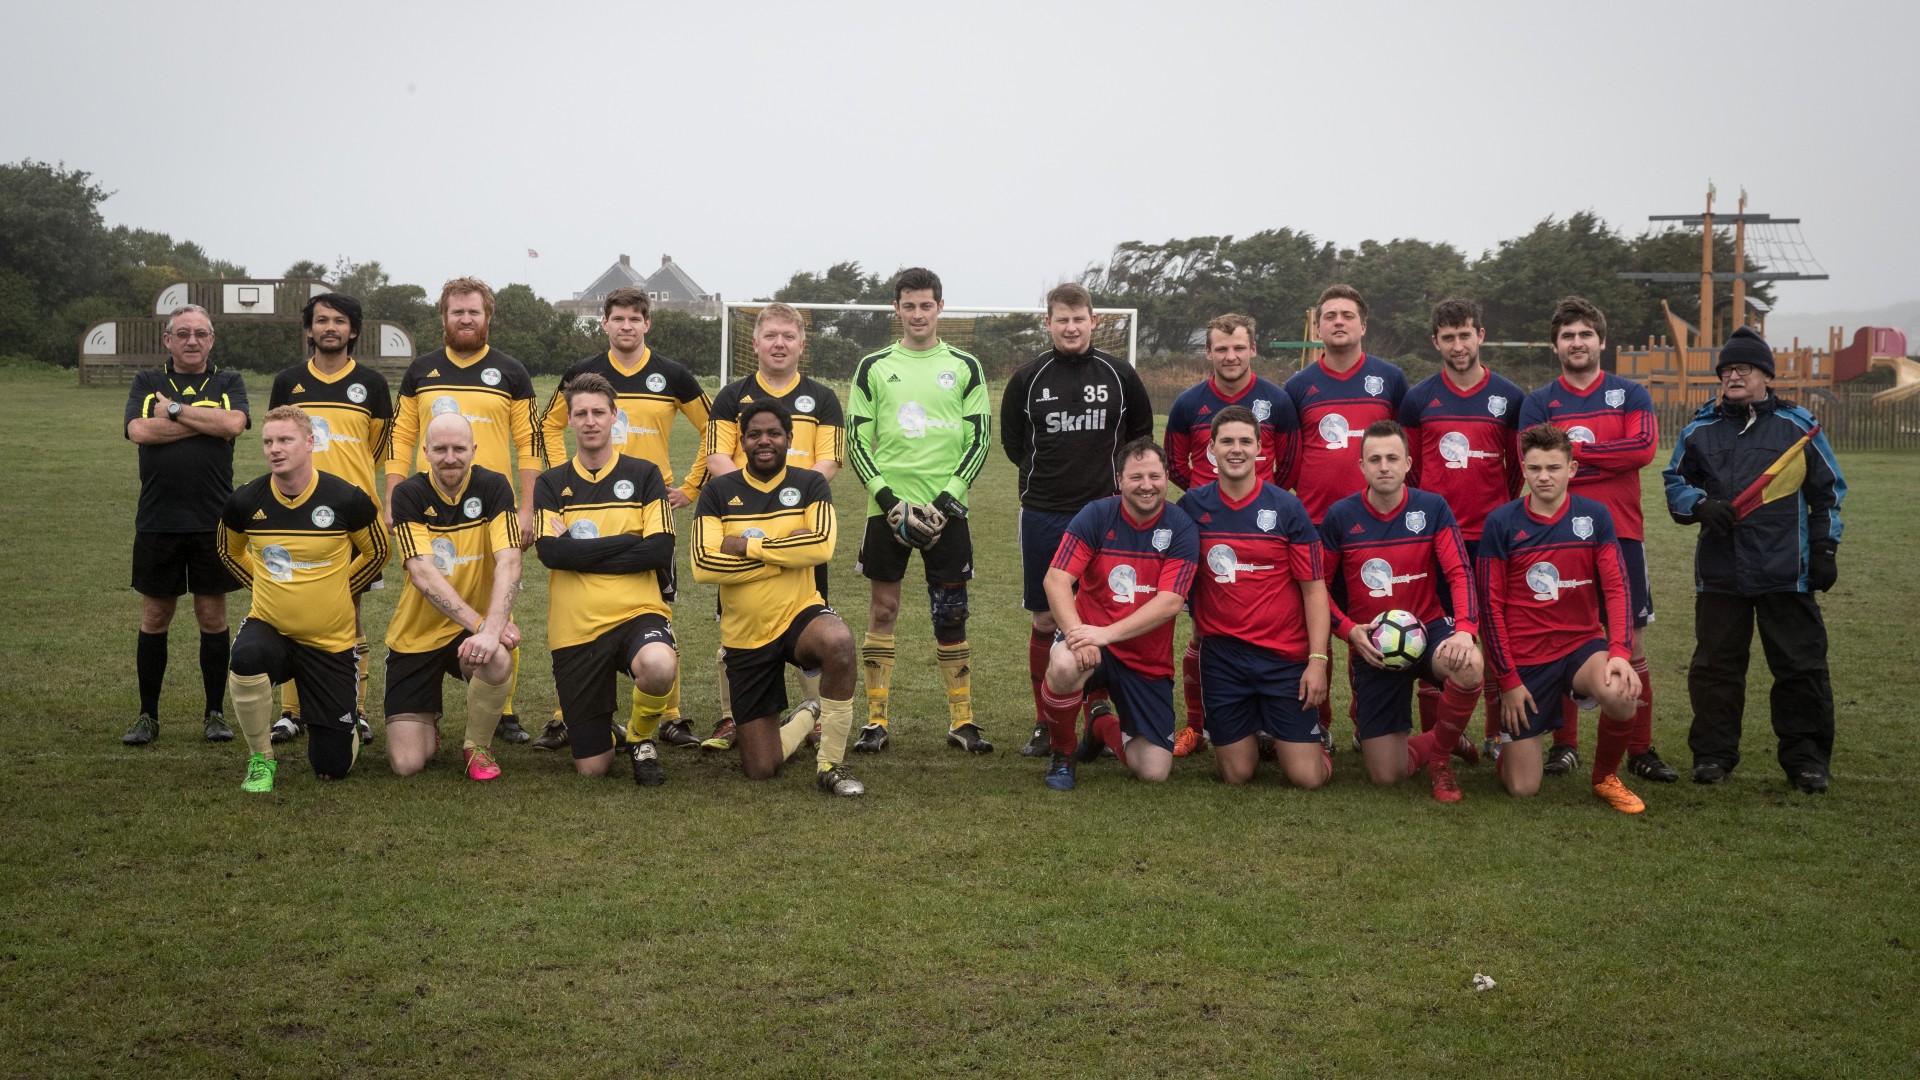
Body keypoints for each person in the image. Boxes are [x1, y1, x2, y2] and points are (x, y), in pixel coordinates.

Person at [1662, 326, 1845, 793]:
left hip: (1787, 571)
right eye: (1726, 369)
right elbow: (1674, 483)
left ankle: (1806, 760)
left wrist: (1824, 550)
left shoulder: (1799, 428)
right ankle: (1713, 755)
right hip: (1721, 573)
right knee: (1715, 669)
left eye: (1743, 368)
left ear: (1766, 375)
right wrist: (1700, 505)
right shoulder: (1698, 431)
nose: (1733, 375)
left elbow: (1827, 493)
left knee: (1800, 668)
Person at [530, 286, 710, 752]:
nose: (626, 325)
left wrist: (690, 487)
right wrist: (557, 475)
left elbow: (716, 428)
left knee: (657, 606)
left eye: (635, 318)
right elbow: (548, 424)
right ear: (604, 323)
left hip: (649, 506)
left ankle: (668, 714)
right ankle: (565, 713)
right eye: (618, 318)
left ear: (647, 323)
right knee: (574, 601)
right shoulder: (582, 374)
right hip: (584, 499)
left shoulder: (672, 374)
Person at [1519, 297, 1677, 783]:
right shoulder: (1540, 401)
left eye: (1585, 334)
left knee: (1631, 641)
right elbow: (1535, 463)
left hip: (1622, 533)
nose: (1577, 342)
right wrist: (1601, 457)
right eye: (1567, 336)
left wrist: (1573, 453)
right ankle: (1565, 746)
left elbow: (1644, 449)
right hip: (1558, 538)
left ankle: (1640, 748)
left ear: (1601, 341)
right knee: (1565, 637)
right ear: (1555, 346)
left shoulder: (1630, 393)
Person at [385, 277, 545, 744]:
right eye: (457, 312)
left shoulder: (511, 371)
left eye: (474, 311)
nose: (466, 319)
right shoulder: (421, 371)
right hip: (428, 507)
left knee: (501, 591)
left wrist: (528, 506)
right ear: (444, 318)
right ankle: (423, 694)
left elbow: (529, 443)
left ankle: (504, 708)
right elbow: (400, 436)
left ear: (487, 317)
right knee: (430, 589)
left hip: (490, 508)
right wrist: (394, 494)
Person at [1001, 283, 1155, 758]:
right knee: (1047, 616)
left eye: (1079, 318)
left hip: (1105, 514)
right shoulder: (1028, 378)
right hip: (1045, 511)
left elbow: (1141, 434)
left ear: (1094, 321)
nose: (1071, 327)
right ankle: (1046, 721)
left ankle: (1097, 712)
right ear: (1048, 323)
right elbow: (1014, 444)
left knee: (1098, 613)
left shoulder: (1119, 374)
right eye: (1061, 319)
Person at [845, 267, 993, 754]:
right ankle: (876, 720)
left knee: (951, 614)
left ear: (940, 308)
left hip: (948, 512)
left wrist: (948, 499)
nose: (917, 314)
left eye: (926, 305)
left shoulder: (966, 365)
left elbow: (980, 438)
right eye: (908, 306)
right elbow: (857, 440)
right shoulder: (873, 365)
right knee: (883, 609)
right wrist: (888, 501)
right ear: (897, 310)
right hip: (885, 510)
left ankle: (963, 721)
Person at [691, 399, 865, 795]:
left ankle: (831, 765)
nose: (764, 441)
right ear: (742, 441)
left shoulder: (810, 483)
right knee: (761, 768)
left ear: (789, 437)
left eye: (773, 433)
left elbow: (820, 546)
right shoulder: (717, 491)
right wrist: (786, 553)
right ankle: (807, 713)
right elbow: (704, 564)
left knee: (838, 642)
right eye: (754, 434)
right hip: (746, 634)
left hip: (799, 615)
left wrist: (750, 547)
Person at [696, 302, 846, 751]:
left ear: (801, 343)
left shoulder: (822, 397)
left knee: (807, 615)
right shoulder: (729, 396)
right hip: (741, 513)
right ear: (755, 343)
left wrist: (797, 498)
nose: (779, 343)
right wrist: (753, 498)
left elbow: (829, 460)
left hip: (802, 517)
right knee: (738, 616)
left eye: (788, 336)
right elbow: (717, 456)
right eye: (771, 335)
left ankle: (815, 711)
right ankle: (730, 716)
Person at [218, 406, 388, 792]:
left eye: (284, 440)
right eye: (268, 442)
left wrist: (340, 588)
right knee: (245, 658)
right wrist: (263, 586)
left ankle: (341, 726)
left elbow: (378, 552)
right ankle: (261, 757)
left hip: (330, 641)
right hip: (271, 628)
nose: (274, 449)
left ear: (310, 443)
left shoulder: (346, 498)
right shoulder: (245, 501)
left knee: (333, 766)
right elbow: (229, 552)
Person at [1477, 424, 1645, 813]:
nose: (1543, 476)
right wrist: (1508, 681)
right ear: (1523, 467)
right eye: (1534, 468)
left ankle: (1605, 777)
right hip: (1525, 657)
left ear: (1571, 468)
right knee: (1523, 788)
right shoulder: (1501, 523)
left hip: (1580, 646)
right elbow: (1490, 607)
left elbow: (1617, 589)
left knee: (1620, 692)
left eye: (1553, 467)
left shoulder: (1595, 516)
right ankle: (1507, 745)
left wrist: (1619, 652)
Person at [1318, 420, 1486, 802]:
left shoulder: (1432, 507)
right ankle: (1443, 737)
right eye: (1374, 459)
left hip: (1429, 630)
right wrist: (1348, 630)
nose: (1384, 466)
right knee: (1386, 776)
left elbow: (1459, 572)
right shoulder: (1340, 517)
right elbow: (1318, 590)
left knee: (1469, 664)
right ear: (1360, 466)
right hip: (1374, 646)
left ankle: (1441, 758)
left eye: (1392, 458)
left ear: (1409, 462)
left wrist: (1464, 630)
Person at [1161, 312, 1300, 757]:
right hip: (1207, 528)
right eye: (1221, 348)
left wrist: (1262, 503)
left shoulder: (1277, 400)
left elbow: (1291, 463)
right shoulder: (1188, 403)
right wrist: (1208, 501)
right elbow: (1176, 463)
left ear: (1253, 349)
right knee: (1205, 627)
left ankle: (1290, 724)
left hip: (1264, 528)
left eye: (1239, 347)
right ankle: (1197, 728)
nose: (1231, 355)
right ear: (1209, 353)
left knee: (1276, 621)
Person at [531, 374, 680, 786]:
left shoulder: (646, 474)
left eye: (599, 412)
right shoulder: (550, 483)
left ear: (615, 417)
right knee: (593, 768)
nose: (591, 420)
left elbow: (658, 550)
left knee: (658, 664)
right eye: (581, 413)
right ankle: (606, 733)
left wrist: (578, 556)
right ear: (571, 421)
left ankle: (640, 738)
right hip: (575, 630)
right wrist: (628, 541)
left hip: (637, 613)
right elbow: (549, 553)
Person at [1282, 285, 1408, 752]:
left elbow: (1402, 448)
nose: (1338, 322)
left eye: (1347, 315)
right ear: (1318, 327)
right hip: (1313, 527)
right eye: (1329, 315)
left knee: (1369, 625)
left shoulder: (1390, 379)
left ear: (1363, 325)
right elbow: (1290, 459)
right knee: (1312, 628)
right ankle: (1319, 722)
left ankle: (1366, 723)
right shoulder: (1298, 387)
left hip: (1374, 530)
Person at [1397, 297, 1522, 762]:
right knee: (1438, 634)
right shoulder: (1419, 398)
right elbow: (1413, 470)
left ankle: (1495, 733)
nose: (1457, 345)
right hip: (1434, 540)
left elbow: (1515, 469)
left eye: (1464, 335)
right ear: (1436, 342)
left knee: (1491, 632)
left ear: (1480, 335)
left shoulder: (1508, 397)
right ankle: (1441, 741)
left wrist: (1494, 515)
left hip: (1489, 539)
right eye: (1447, 338)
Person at [1034, 437, 1199, 791]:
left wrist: (1104, 634)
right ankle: (1063, 754)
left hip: (1144, 656)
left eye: (1155, 476)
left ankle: (1100, 724)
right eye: (1136, 477)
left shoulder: (1181, 526)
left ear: (1167, 477)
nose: (1146, 486)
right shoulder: (1097, 514)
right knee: (1063, 663)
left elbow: (1170, 601)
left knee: (1154, 770)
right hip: (1090, 641)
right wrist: (1079, 632)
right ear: (1119, 479)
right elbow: (1056, 579)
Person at [1178, 408, 1331, 788]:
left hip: (1283, 658)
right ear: (1211, 449)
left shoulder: (1287, 508)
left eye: (1246, 441)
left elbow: (1314, 589)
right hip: (1224, 659)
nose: (1236, 449)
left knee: (1307, 778)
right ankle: (1260, 730)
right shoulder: (1191, 509)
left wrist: (1317, 660)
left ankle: (1303, 740)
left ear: (1261, 449)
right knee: (1236, 774)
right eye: (1227, 441)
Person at [122, 304, 250, 747]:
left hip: (213, 521)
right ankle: (147, 716)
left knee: (212, 616)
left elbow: (234, 423)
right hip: (158, 520)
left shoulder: (228, 382)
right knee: (156, 616)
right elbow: (139, 431)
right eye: (183, 334)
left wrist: (173, 411)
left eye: (200, 333)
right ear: (168, 340)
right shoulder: (147, 382)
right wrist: (204, 422)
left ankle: (214, 713)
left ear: (211, 340)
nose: (192, 341)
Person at [267, 292, 393, 746]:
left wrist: (347, 482)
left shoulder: (373, 384)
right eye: (321, 321)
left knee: (349, 612)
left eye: (339, 321)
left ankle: (353, 709)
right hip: (295, 515)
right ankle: (291, 711)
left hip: (353, 518)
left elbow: (378, 449)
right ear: (309, 330)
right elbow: (278, 440)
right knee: (292, 610)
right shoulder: (288, 381)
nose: (330, 328)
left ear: (353, 331)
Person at [383, 412, 522, 782]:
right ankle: (428, 723)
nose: (450, 457)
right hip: (417, 634)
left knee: (496, 658)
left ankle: (477, 745)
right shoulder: (409, 494)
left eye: (459, 448)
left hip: (469, 633)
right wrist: (483, 624)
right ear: (425, 451)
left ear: (474, 450)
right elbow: (422, 574)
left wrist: (490, 632)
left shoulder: (494, 488)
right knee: (408, 763)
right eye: (440, 449)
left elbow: (509, 561)